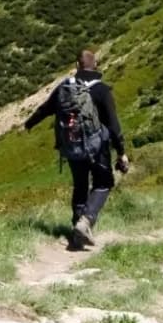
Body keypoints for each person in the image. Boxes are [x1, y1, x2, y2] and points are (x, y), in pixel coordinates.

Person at [23, 49, 130, 250]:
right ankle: (86, 221)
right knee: (103, 182)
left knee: (80, 185)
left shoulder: (65, 86)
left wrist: (29, 124)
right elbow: (114, 125)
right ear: (95, 65)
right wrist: (121, 151)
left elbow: (45, 108)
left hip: (71, 145)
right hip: (97, 148)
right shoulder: (101, 90)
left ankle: (76, 231)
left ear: (77, 66)